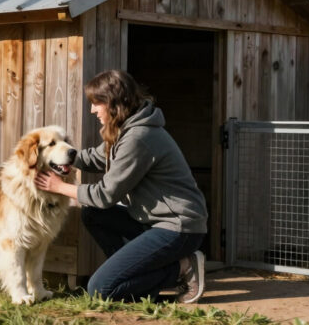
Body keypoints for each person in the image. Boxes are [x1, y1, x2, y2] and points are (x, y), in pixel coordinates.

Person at [34, 69, 208, 303]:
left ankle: (182, 268)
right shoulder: (125, 130)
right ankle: (128, 275)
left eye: (96, 103)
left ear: (113, 103)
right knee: (93, 214)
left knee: (100, 290)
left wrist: (59, 186)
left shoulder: (139, 138)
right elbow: (95, 158)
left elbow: (105, 194)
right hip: (154, 222)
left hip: (178, 228)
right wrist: (57, 156)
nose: (92, 110)